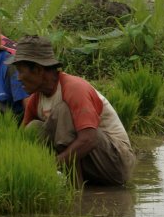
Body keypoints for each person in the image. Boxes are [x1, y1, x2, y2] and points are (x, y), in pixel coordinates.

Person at [7, 36, 136, 186]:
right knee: (33, 128)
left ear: (38, 70)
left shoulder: (74, 88)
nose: (18, 78)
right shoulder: (36, 99)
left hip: (116, 163)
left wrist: (50, 165)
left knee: (62, 111)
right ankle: (72, 185)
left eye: (21, 71)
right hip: (90, 165)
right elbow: (23, 140)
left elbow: (89, 139)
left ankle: (75, 191)